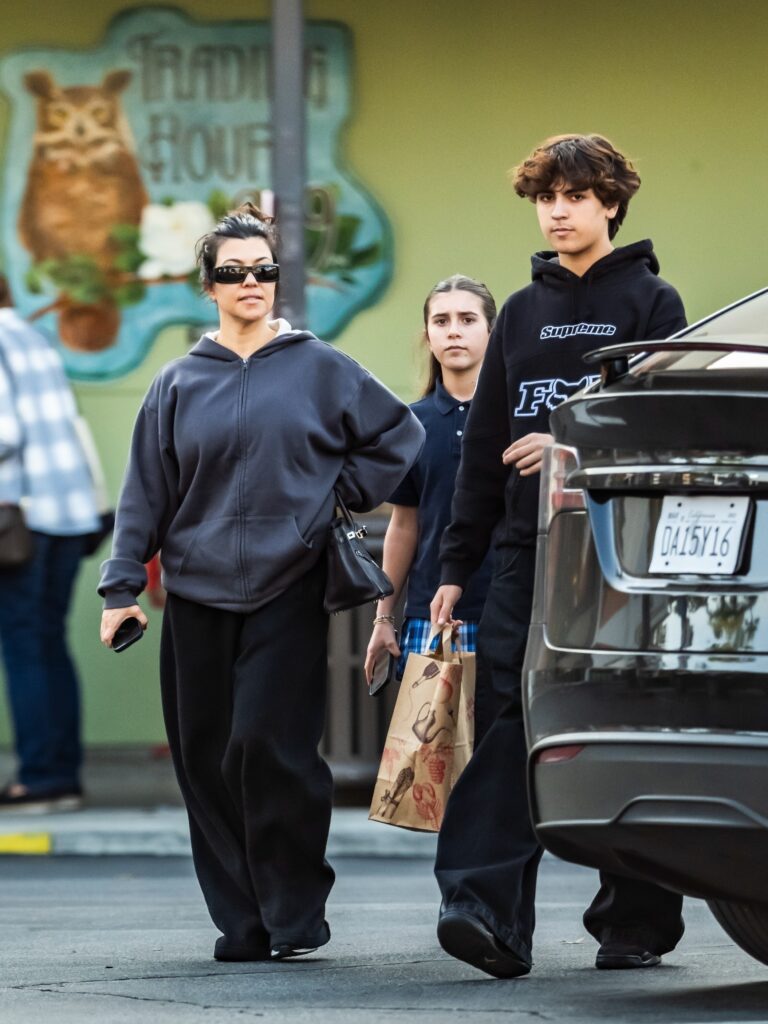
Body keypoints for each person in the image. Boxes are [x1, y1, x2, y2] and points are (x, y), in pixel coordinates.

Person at [98, 203, 424, 964]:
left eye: (265, 271)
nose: (252, 283)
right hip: (195, 595)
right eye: (234, 273)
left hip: (289, 586)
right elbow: (144, 493)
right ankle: (242, 919)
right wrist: (120, 591)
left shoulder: (321, 366)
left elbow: (399, 435)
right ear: (207, 285)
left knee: (267, 747)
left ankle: (294, 908)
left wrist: (336, 493)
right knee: (206, 759)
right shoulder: (176, 383)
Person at [430, 134, 688, 978]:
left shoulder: (655, 304)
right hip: (519, 554)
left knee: (623, 723)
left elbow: (663, 433)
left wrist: (567, 438)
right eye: (547, 196)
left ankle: (634, 923)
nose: (560, 209)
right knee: (510, 722)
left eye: (577, 194)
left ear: (612, 203)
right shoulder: (518, 312)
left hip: (620, 559)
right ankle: (484, 913)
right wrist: (454, 570)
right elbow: (480, 457)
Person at [0, 275, 101, 812]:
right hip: (66, 515)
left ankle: (40, 778)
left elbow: (4, 433)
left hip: (20, 520)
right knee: (46, 644)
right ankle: (60, 774)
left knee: (24, 646)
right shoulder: (29, 336)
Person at [364, 275, 496, 685]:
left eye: (467, 319)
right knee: (428, 749)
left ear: (491, 331)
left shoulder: (514, 418)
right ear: (428, 336)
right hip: (429, 615)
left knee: (500, 746)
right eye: (441, 321)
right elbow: (403, 527)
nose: (453, 330)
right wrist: (383, 616)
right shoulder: (411, 424)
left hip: (507, 611)